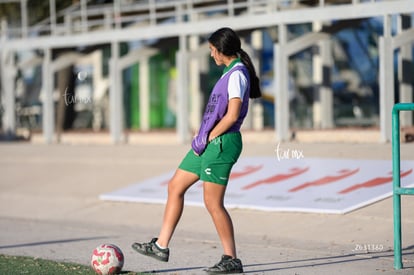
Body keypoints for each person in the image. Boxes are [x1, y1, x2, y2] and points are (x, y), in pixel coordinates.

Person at [131, 27, 261, 274]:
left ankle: (231, 259)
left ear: (222, 51)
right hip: (207, 144)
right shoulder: (227, 74)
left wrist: (210, 135)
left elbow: (233, 115)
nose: (211, 55)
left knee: (212, 203)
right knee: (175, 186)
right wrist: (202, 135)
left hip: (222, 143)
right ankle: (161, 245)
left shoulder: (237, 75)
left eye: (213, 51)